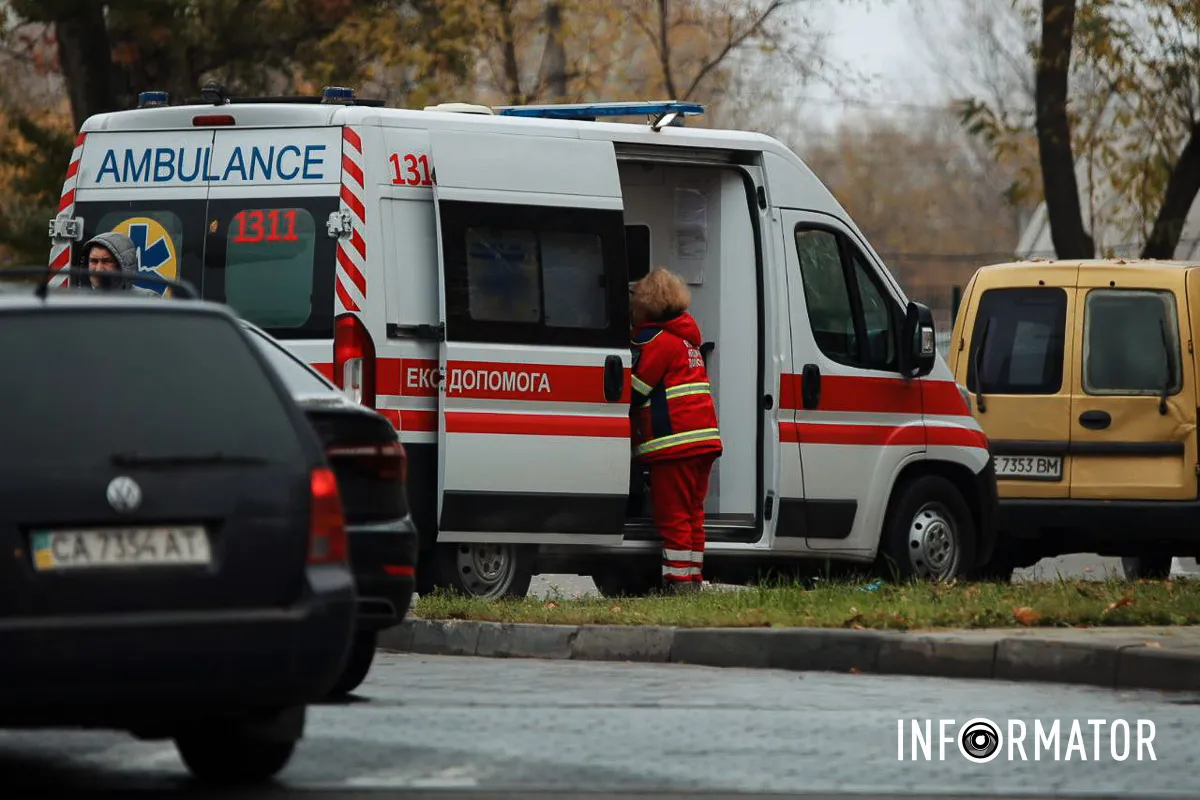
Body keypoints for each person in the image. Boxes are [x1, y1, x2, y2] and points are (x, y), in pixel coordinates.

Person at [629, 268, 722, 594]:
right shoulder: (686, 339)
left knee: (674, 518)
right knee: (693, 515)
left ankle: (678, 585)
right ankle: (692, 580)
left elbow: (635, 389)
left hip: (675, 445)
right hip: (703, 442)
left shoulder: (658, 341)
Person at [81, 232, 158, 296]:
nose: (99, 269)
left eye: (107, 261)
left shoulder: (148, 301)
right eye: (94, 261)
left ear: (122, 265)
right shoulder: (77, 303)